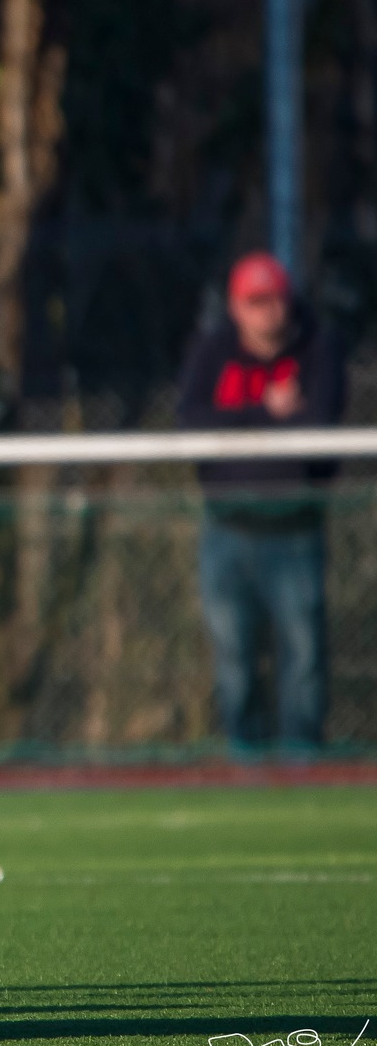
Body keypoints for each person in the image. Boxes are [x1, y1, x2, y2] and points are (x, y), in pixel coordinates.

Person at [175, 251, 344, 752]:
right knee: (233, 658)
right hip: (228, 527)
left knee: (304, 655)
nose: (267, 312)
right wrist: (264, 411)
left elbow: (317, 428)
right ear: (235, 306)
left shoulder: (318, 349)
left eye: (274, 300)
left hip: (295, 530)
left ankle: (303, 761)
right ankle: (245, 759)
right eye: (255, 302)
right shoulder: (212, 350)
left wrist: (250, 424)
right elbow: (191, 423)